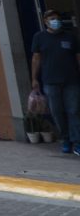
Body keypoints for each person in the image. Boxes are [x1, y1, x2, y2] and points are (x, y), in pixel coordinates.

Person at [31, 9, 80, 155]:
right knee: (57, 112)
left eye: (56, 18)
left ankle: (77, 141)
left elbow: (78, 57)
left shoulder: (70, 37)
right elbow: (36, 59)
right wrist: (34, 78)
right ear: (46, 21)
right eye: (51, 19)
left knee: (74, 111)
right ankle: (66, 139)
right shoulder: (39, 37)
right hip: (50, 81)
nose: (55, 21)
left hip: (71, 80)